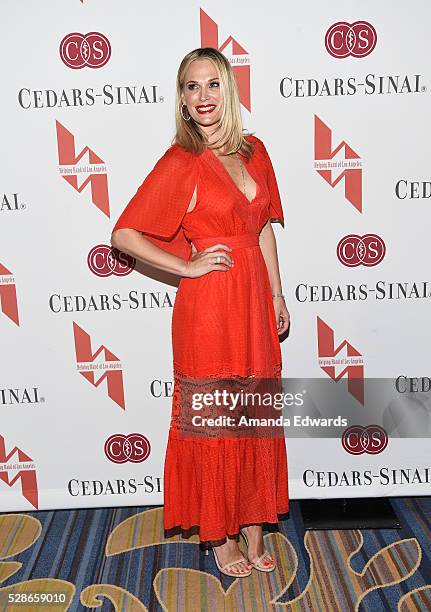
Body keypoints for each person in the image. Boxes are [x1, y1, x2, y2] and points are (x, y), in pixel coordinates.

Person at [111, 47, 290, 578]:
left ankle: (255, 522)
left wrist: (277, 293)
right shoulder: (181, 161)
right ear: (183, 100)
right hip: (209, 306)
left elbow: (261, 229)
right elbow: (124, 233)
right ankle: (218, 536)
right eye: (192, 87)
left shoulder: (255, 151)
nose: (203, 96)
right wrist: (186, 268)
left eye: (213, 84)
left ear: (228, 91)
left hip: (255, 298)